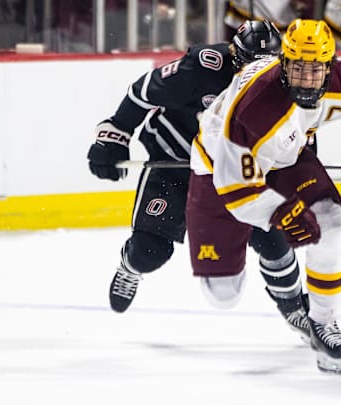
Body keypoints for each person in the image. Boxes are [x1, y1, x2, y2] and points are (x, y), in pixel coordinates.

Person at [186, 19, 341, 374]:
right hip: (218, 165)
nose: (306, 80)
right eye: (297, 69)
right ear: (283, 64)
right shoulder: (254, 111)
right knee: (223, 294)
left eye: (315, 70)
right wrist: (280, 214)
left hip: (287, 156)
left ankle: (323, 325)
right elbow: (237, 191)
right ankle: (269, 263)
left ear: (330, 67)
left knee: (330, 220)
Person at [86, 20, 311, 342]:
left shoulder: (287, 82)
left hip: (241, 171)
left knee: (273, 243)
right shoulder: (202, 67)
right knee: (149, 251)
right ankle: (130, 267)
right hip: (176, 163)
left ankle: (296, 311)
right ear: (235, 56)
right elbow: (141, 93)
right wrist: (114, 135)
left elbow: (301, 134)